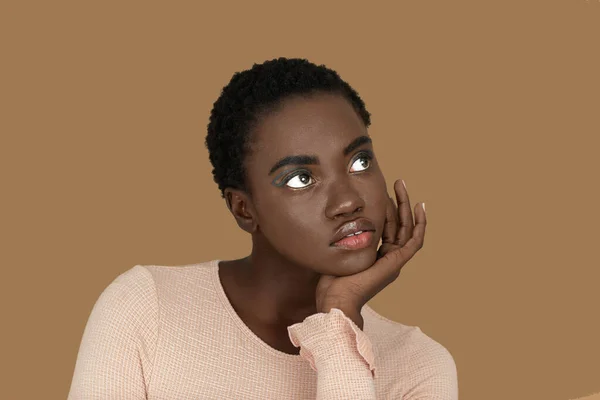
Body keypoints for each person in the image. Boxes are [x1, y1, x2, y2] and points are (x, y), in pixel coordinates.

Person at [67, 57, 458, 399]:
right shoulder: (147, 307)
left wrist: (338, 321)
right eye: (301, 178)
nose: (348, 201)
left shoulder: (417, 365)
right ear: (243, 208)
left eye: (359, 161)